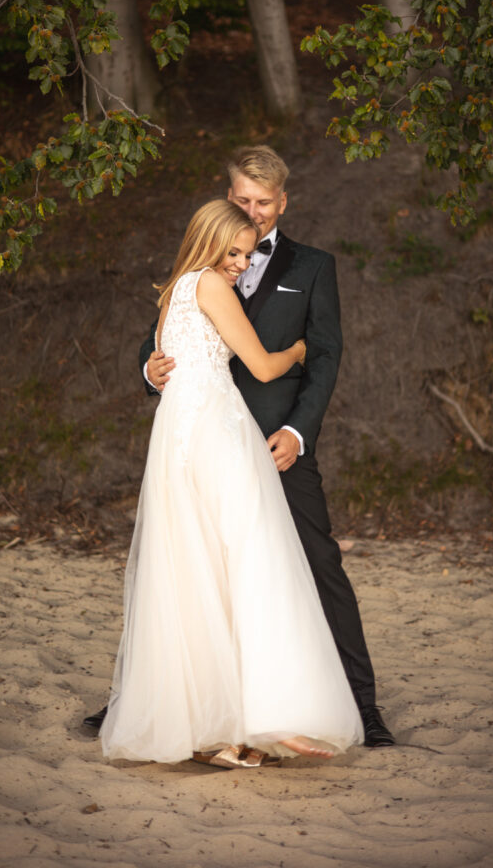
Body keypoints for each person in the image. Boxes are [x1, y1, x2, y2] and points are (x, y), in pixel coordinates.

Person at [85, 145, 395, 749]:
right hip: (206, 442)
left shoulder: (312, 267)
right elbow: (159, 341)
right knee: (184, 565)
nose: (251, 213)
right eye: (241, 200)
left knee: (315, 564)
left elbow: (325, 355)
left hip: (278, 443)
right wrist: (149, 371)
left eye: (263, 203)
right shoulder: (201, 266)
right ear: (229, 197)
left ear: (284, 201)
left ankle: (362, 704)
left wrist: (299, 431)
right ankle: (155, 700)